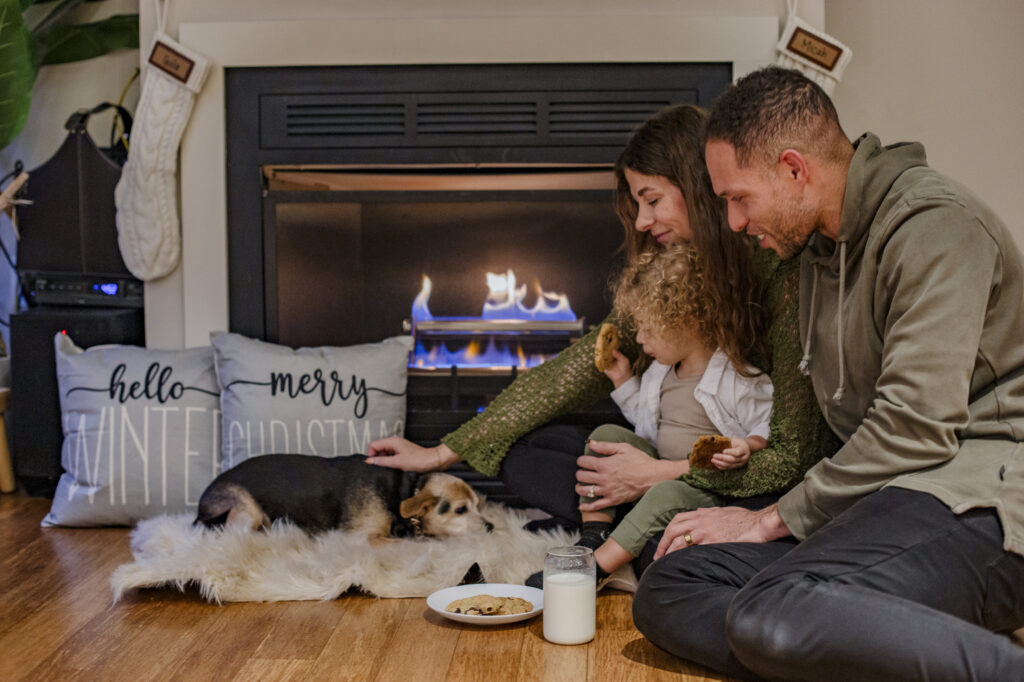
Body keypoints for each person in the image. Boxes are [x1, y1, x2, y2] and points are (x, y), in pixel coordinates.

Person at [631, 65, 1024, 680]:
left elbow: (916, 428)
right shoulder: (817, 251)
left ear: (794, 169)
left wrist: (770, 517)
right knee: (671, 584)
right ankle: (832, 643)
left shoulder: (937, 226)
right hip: (881, 501)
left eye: (738, 198)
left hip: (979, 499)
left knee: (771, 610)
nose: (733, 222)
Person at [367, 104, 839, 546]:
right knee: (530, 447)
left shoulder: (777, 267)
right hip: (662, 456)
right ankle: (623, 522)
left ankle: (633, 534)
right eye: (637, 205)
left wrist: (656, 476)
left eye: (652, 200)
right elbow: (576, 370)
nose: (642, 221)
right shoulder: (668, 276)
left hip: (736, 485)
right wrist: (443, 451)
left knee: (611, 476)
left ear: (698, 187)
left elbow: (791, 457)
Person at [523, 241, 773, 590]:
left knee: (664, 495)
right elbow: (644, 418)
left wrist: (748, 445)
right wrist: (623, 381)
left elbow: (767, 426)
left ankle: (596, 569)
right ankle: (593, 534)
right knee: (605, 435)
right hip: (656, 463)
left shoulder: (737, 378)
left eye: (648, 329)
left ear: (687, 322)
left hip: (702, 488)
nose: (640, 339)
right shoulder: (660, 372)